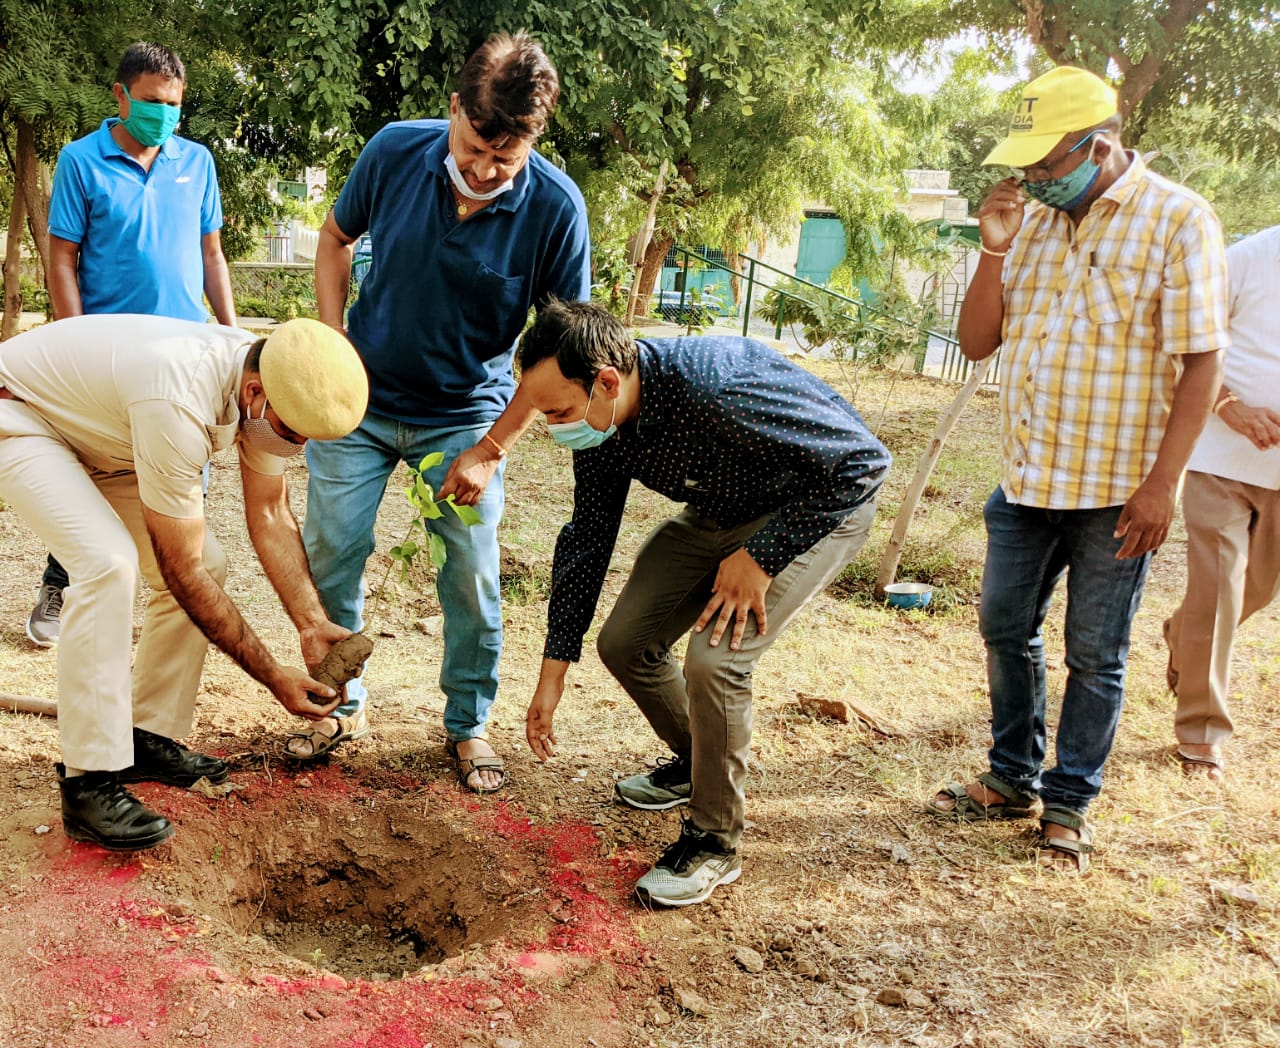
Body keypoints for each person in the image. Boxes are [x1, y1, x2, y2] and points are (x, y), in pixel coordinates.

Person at [927, 66, 1230, 872]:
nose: (1030, 179)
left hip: (1118, 493)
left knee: (1095, 654)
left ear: (1100, 146)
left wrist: (1163, 484)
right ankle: (1012, 775)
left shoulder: (1178, 220)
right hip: (1028, 480)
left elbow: (1203, 363)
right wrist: (992, 252)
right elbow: (979, 343)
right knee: (1002, 629)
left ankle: (1068, 803)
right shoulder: (1029, 224)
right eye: (1025, 165)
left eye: (1046, 165)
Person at [519, 300, 891, 907]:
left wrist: (763, 557)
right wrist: (554, 669)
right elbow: (588, 536)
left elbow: (863, 464)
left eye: (559, 410)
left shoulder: (717, 386)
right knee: (625, 642)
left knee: (715, 663)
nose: (555, 426)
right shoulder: (602, 425)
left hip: (813, 511)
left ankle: (716, 839)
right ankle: (701, 767)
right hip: (720, 513)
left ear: (606, 381)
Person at [298, 30, 590, 791]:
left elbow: (563, 352)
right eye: (473, 150)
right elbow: (334, 239)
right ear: (454, 109)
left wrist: (492, 447)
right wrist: (332, 347)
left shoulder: (558, 209)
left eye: (505, 159)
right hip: (356, 405)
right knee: (331, 552)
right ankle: (338, 703)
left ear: (532, 140)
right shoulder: (394, 151)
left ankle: (467, 724)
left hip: (464, 416)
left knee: (468, 573)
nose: (485, 171)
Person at [0, 315, 368, 851]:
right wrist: (272, 677)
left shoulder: (270, 390)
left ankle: (142, 735)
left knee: (210, 562)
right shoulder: (179, 396)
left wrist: (311, 624)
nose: (296, 446)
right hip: (25, 415)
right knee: (108, 564)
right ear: (255, 391)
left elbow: (268, 514)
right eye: (293, 434)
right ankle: (88, 782)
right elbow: (180, 570)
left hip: (108, 436)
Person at [27, 41, 237, 648]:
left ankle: (176, 593)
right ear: (120, 97)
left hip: (184, 357)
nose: (164, 115)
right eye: (151, 102)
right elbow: (61, 258)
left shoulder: (196, 162)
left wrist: (228, 333)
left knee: (179, 475)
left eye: (173, 104)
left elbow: (211, 253)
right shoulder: (80, 161)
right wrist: (74, 338)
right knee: (94, 471)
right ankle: (59, 582)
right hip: (107, 359)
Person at [1164, 224, 1280, 781]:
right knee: (1217, 592)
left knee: (1255, 590)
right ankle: (1201, 734)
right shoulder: (1246, 257)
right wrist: (1230, 406)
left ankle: (1179, 633)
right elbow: (1188, 343)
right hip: (1220, 459)